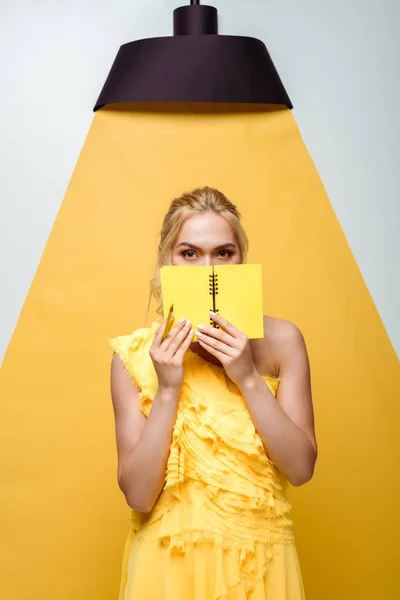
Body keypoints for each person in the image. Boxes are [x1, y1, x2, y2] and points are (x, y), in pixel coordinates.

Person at [109, 186, 317, 600]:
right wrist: (168, 388)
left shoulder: (282, 341)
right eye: (189, 253)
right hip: (167, 571)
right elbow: (138, 494)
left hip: (260, 568)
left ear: (241, 259)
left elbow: (300, 468)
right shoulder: (132, 357)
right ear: (167, 261)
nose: (209, 269)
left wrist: (248, 378)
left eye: (223, 253)